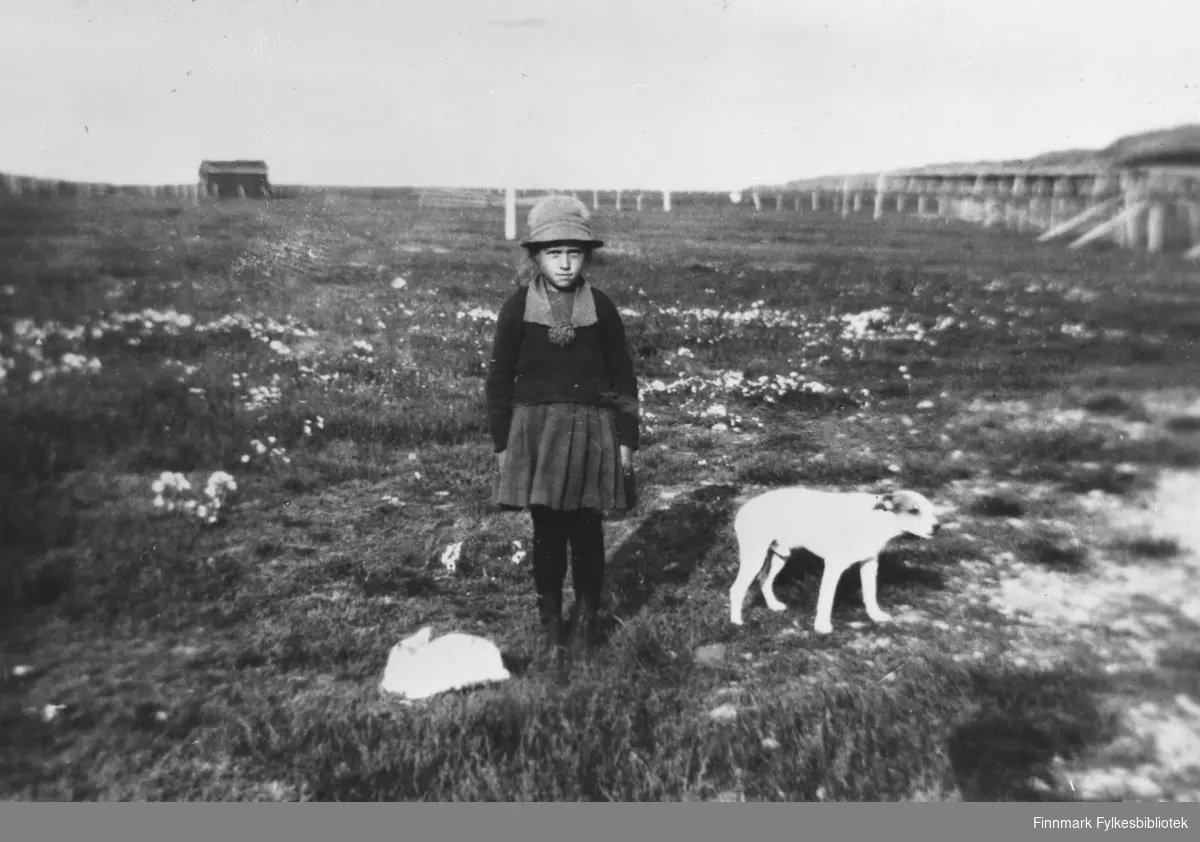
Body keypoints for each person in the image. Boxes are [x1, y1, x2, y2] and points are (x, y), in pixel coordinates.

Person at [485, 194, 640, 676]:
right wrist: (502, 442)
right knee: (548, 532)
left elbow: (624, 379)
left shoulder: (604, 309)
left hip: (593, 432)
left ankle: (586, 625)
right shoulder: (517, 309)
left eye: (574, 252)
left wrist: (626, 438)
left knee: (588, 531)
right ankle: (552, 625)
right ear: (537, 257)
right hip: (535, 434)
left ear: (587, 256)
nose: (565, 263)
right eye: (554, 253)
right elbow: (498, 379)